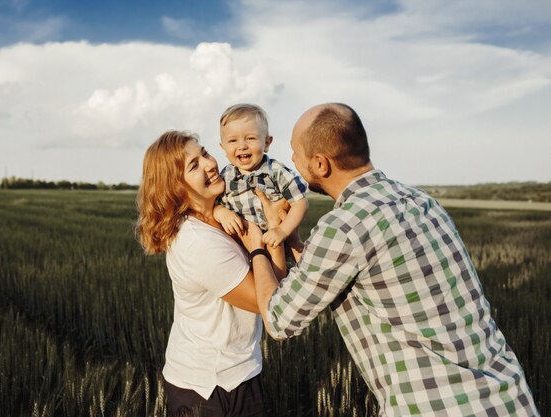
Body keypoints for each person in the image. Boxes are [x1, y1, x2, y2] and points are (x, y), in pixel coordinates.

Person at [241, 103, 540, 416]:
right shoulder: (422, 201)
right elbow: (340, 273)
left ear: (320, 164)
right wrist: (293, 241)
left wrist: (257, 247)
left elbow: (279, 320)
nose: (291, 161)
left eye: (295, 153)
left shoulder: (344, 226)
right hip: (509, 400)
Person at [135, 130, 285, 417]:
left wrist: (267, 226)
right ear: (175, 187)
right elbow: (273, 304)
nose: (209, 163)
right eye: (194, 166)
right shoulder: (198, 243)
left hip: (237, 371)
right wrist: (261, 246)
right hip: (210, 387)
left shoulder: (223, 208)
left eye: (203, 153)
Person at [214, 104, 308, 250]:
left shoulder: (276, 172)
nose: (242, 146)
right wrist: (221, 212)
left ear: (266, 143)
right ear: (223, 147)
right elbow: (213, 204)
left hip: (280, 246)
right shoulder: (225, 177)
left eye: (250, 138)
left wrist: (282, 230)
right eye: (233, 141)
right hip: (246, 250)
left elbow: (300, 203)